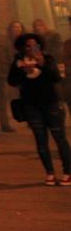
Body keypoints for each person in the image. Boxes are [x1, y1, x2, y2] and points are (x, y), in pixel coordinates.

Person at [8, 33, 71, 186]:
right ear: (22, 48)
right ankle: (49, 173)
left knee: (60, 139)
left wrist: (42, 64)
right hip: (31, 105)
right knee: (40, 140)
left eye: (34, 45)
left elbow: (56, 77)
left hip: (51, 104)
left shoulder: (48, 59)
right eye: (28, 46)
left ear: (39, 46)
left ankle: (67, 172)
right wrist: (23, 72)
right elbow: (11, 81)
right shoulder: (18, 62)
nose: (31, 49)